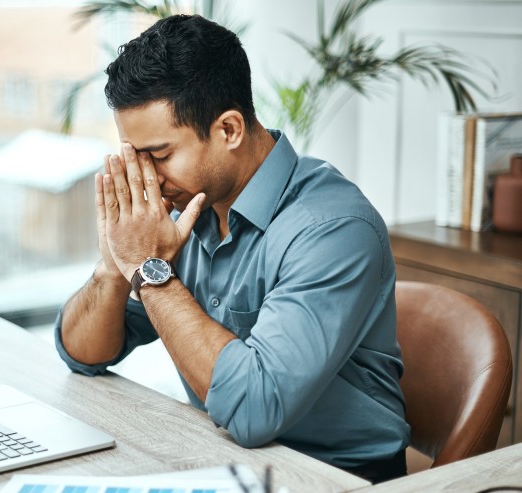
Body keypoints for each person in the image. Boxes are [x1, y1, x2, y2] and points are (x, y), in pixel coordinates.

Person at [53, 14, 409, 483]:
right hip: (221, 459)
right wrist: (115, 263)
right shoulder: (182, 210)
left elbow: (254, 410)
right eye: (137, 157)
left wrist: (149, 268)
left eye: (160, 155)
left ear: (229, 130)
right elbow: (82, 353)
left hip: (336, 477)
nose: (148, 178)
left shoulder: (333, 229)